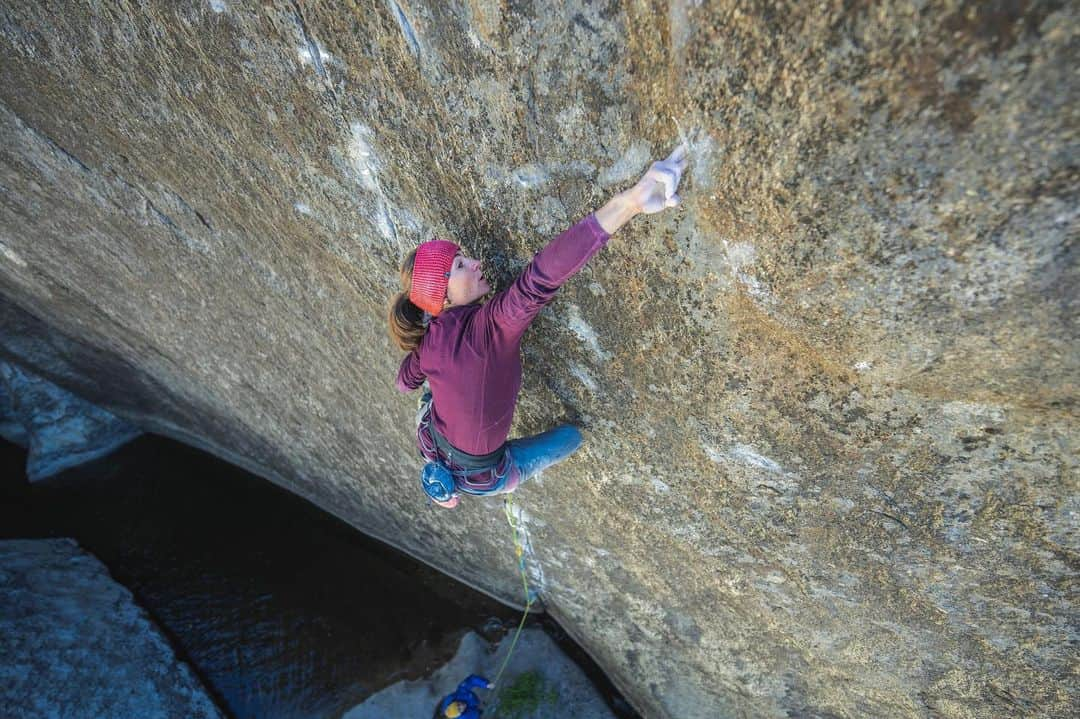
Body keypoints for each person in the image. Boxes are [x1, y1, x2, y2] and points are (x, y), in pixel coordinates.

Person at [389, 143, 689, 508]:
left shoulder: (430, 340)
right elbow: (542, 276)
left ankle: (443, 487)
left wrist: (427, 381)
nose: (476, 263)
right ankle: (447, 485)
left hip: (432, 440)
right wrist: (629, 203)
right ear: (444, 298)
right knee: (571, 437)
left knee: (431, 393)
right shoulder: (491, 327)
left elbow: (405, 381)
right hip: (486, 474)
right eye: (460, 266)